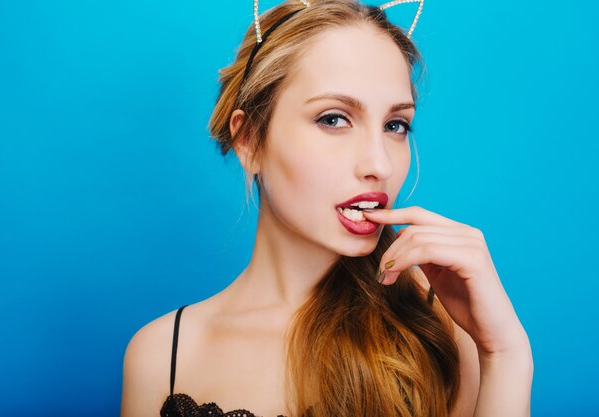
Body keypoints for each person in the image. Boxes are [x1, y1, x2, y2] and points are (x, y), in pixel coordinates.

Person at [120, 1, 533, 416]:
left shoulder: (439, 327)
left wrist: (506, 353)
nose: (379, 165)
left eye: (395, 125)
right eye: (334, 119)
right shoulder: (162, 356)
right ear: (248, 141)